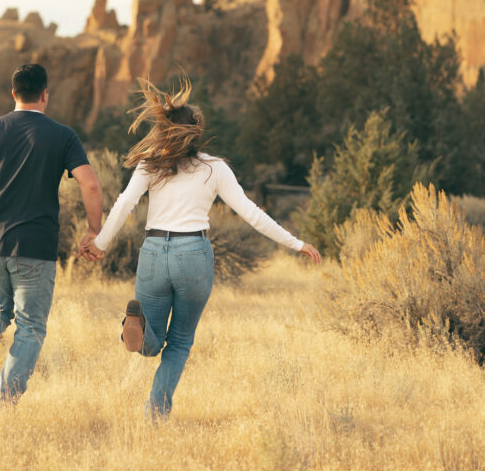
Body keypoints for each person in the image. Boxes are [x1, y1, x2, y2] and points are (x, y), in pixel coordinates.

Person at [82, 76, 321, 420]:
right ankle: (155, 413)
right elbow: (252, 213)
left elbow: (124, 204)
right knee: (179, 343)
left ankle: (135, 327)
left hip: (153, 252)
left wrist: (101, 243)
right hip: (193, 254)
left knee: (152, 342)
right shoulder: (215, 168)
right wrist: (296, 242)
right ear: (195, 133)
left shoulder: (151, 162)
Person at [0, 63, 103, 410]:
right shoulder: (62, 135)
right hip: (34, 247)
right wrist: (95, 230)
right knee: (30, 327)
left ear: (13, 93)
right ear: (45, 94)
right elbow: (89, 183)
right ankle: (5, 408)